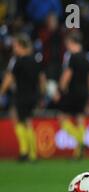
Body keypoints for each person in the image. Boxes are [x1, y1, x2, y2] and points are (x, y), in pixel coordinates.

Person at [0, 33, 46, 162]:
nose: (14, 48)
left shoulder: (17, 61)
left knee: (17, 119)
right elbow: (42, 79)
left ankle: (24, 151)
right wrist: (42, 96)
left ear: (20, 46)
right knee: (28, 122)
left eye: (15, 45)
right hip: (33, 96)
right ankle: (32, 154)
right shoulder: (35, 60)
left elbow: (9, 78)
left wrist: (2, 91)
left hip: (21, 95)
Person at [53, 31, 89, 159]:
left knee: (61, 118)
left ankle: (80, 142)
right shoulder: (87, 57)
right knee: (80, 118)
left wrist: (60, 90)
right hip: (84, 92)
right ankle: (78, 153)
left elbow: (67, 75)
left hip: (72, 92)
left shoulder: (72, 57)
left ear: (71, 42)